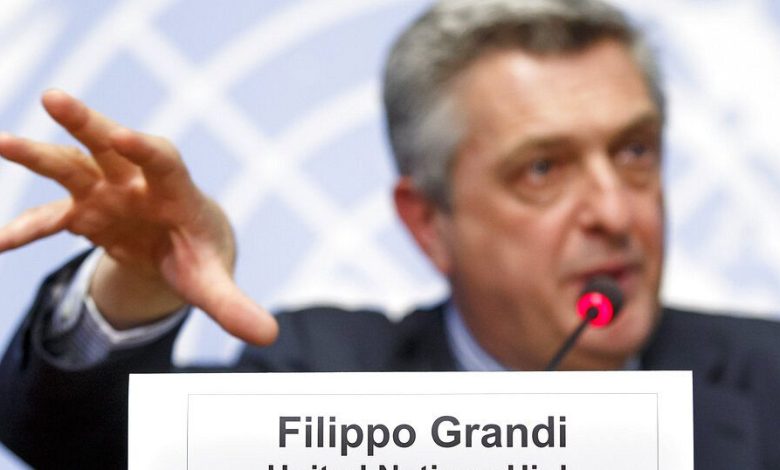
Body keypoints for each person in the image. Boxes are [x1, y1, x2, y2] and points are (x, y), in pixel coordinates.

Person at [0, 0, 778, 468]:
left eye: (635, 152)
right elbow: (72, 444)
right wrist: (140, 279)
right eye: (543, 169)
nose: (616, 210)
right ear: (429, 222)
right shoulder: (328, 376)